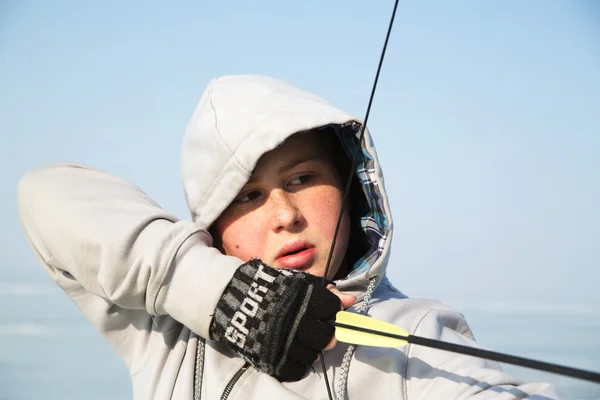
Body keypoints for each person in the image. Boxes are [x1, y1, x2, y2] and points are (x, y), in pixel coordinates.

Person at [17, 75, 561, 399]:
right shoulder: (170, 337)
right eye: (247, 197)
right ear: (215, 227)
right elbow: (42, 194)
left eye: (302, 179)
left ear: (351, 188)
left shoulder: (411, 334)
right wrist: (220, 295)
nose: (284, 215)